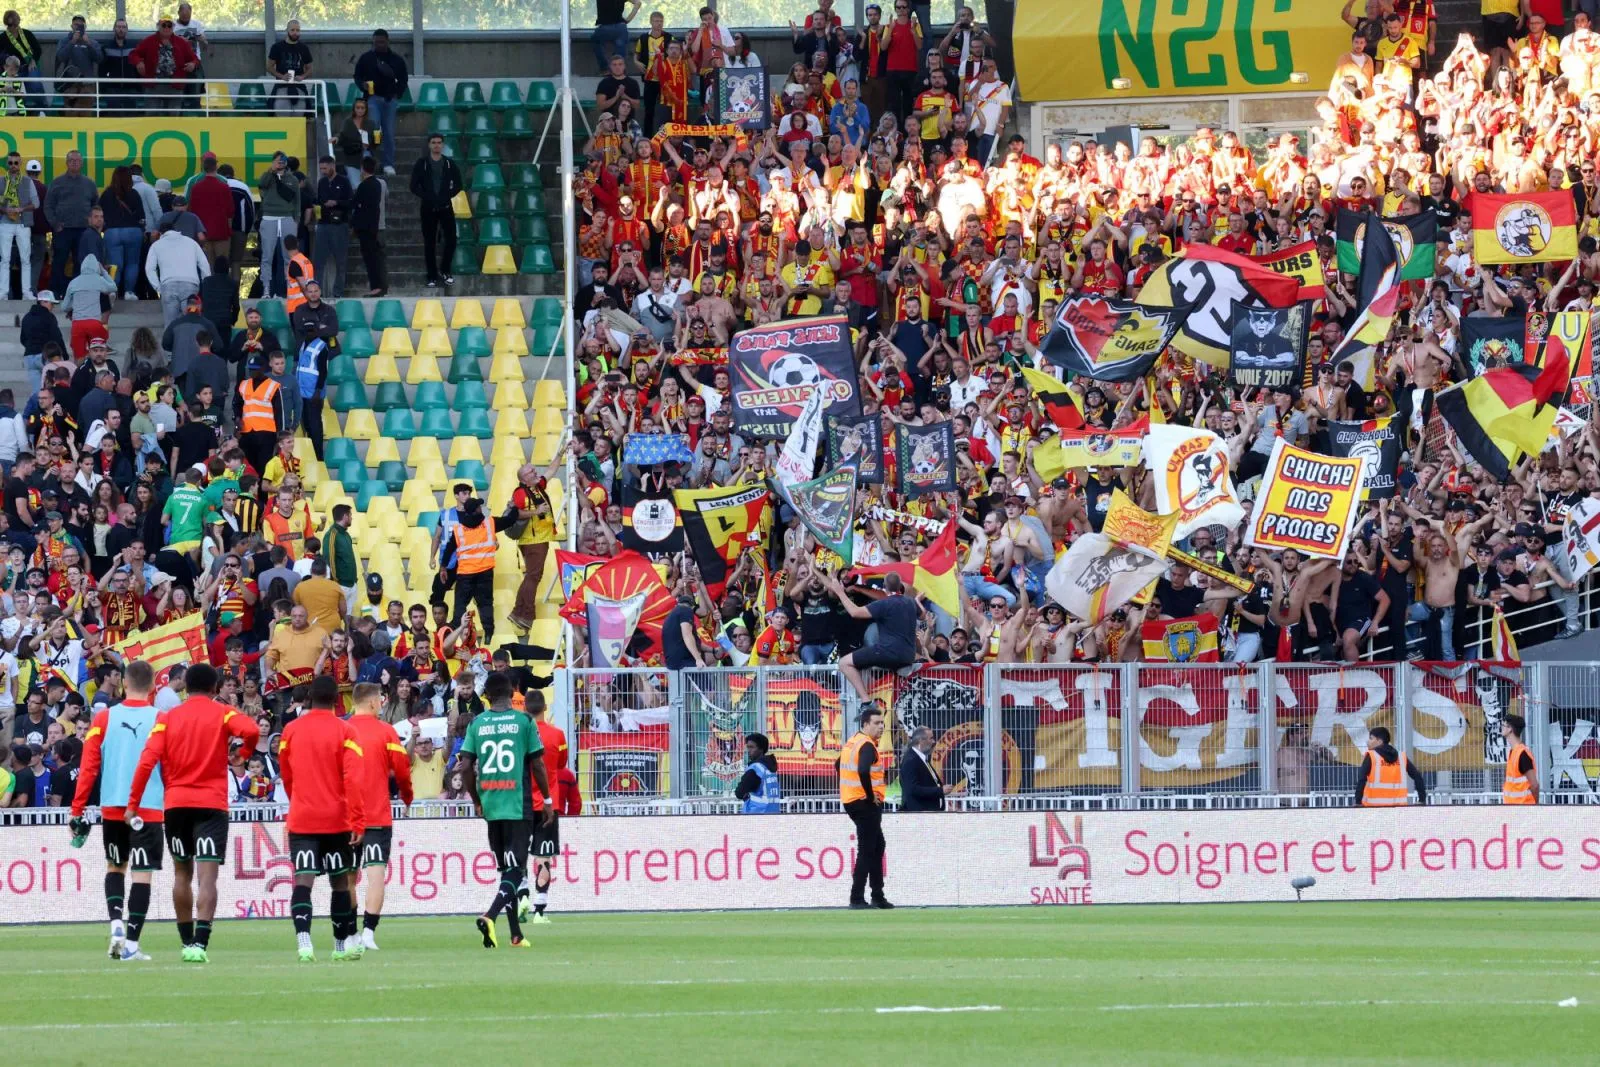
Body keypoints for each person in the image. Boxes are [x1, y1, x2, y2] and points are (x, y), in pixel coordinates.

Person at [125, 663, 260, 963]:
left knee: (182, 873)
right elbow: (251, 729)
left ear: (185, 687)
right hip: (211, 804)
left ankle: (186, 941)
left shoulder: (168, 718)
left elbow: (147, 760)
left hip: (176, 805)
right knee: (207, 877)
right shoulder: (222, 712)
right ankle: (200, 944)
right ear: (214, 689)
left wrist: (133, 803)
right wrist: (244, 753)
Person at [69, 659, 163, 962]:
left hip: (112, 806)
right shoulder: (161, 719)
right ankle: (132, 943)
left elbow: (88, 768)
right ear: (152, 687)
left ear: (123, 683)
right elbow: (172, 767)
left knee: (115, 867)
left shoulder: (104, 719)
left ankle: (116, 925)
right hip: (147, 808)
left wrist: (77, 809)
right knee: (142, 874)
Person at [458, 671, 554, 948]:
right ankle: (490, 915)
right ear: (513, 693)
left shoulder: (477, 723)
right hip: (516, 803)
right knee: (516, 869)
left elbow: (465, 766)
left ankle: (515, 934)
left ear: (485, 696)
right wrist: (546, 800)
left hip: (490, 804)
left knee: (507, 871)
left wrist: (476, 799)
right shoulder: (523, 721)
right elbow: (537, 764)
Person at [278, 673, 366, 962]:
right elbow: (353, 780)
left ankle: (304, 942)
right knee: (340, 883)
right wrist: (357, 820)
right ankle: (340, 947)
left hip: (303, 817)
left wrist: (299, 801)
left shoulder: (291, 731)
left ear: (310, 698)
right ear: (337, 701)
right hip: (336, 819)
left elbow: (286, 774)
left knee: (303, 881)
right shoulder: (347, 732)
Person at [345, 680, 411, 950]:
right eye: (381, 700)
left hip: (346, 818)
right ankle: (369, 932)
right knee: (375, 874)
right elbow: (403, 770)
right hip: (377, 817)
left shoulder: (341, 730)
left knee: (347, 877)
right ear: (373, 702)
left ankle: (349, 934)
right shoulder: (386, 732)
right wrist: (407, 797)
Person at [825, 570, 917, 708]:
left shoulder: (884, 604)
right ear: (900, 587)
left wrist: (840, 592)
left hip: (887, 652)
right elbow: (922, 615)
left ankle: (866, 701)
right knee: (866, 664)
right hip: (909, 656)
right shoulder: (910, 603)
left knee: (844, 663)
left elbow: (855, 612)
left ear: (884, 587)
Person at [520, 688, 568, 923]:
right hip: (550, 803)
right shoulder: (557, 735)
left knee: (518, 853)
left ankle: (522, 897)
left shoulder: (520, 734)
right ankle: (539, 910)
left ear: (524, 708)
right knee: (544, 856)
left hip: (522, 803)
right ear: (545, 708)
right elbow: (561, 764)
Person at [839, 706, 891, 909]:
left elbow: (839, 766)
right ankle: (857, 898)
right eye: (877, 723)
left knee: (877, 846)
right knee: (868, 849)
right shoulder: (867, 745)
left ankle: (877, 895)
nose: (881, 727)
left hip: (852, 800)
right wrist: (870, 796)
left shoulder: (852, 742)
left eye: (882, 723)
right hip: (865, 802)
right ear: (865, 724)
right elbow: (862, 770)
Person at [409, 133, 463, 288]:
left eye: (439, 142)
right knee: (429, 242)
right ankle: (431, 275)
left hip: (446, 206)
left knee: (451, 239)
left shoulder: (449, 164)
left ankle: (445, 271)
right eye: (434, 142)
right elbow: (413, 186)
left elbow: (459, 184)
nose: (437, 145)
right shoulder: (422, 163)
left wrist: (447, 196)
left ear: (443, 145)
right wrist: (427, 197)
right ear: (429, 145)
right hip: (428, 208)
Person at [353, 30, 409, 175]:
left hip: (390, 100)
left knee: (389, 133)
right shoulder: (366, 58)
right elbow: (357, 76)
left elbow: (403, 79)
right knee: (373, 127)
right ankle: (368, 157)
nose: (378, 45)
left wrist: (397, 93)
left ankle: (388, 164)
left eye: (381, 42)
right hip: (372, 98)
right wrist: (362, 85)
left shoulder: (397, 60)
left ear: (387, 41)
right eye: (376, 42)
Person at [44, 148, 97, 297]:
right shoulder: (57, 182)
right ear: (67, 163)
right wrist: (54, 223)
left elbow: (95, 204)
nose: (75, 163)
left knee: (81, 262)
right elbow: (48, 205)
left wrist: (92, 225)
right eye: (72, 161)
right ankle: (56, 292)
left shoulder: (89, 183)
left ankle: (79, 292)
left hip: (83, 230)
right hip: (63, 230)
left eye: (78, 161)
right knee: (59, 262)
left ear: (82, 163)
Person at [447, 497, 496, 642]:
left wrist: (444, 566)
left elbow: (449, 548)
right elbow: (509, 520)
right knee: (485, 604)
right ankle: (488, 633)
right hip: (485, 571)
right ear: (477, 509)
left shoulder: (459, 529)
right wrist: (513, 509)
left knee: (460, 604)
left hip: (465, 573)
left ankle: (455, 630)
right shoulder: (489, 523)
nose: (482, 508)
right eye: (479, 507)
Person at [257, 151, 300, 300]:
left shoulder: (292, 179)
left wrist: (296, 220)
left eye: (283, 161)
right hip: (269, 218)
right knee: (267, 256)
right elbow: (262, 184)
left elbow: (297, 201)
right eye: (277, 161)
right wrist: (272, 170)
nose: (280, 163)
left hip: (287, 218)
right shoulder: (267, 176)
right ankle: (266, 290)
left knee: (289, 256)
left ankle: (291, 289)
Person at [1354, 726, 1426, 808]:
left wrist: (1358, 801)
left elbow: (1361, 779)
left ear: (1379, 741)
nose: (1368, 742)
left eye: (1371, 738)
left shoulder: (1372, 756)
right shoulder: (1401, 757)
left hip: (1374, 807)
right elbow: (1417, 776)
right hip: (1398, 807)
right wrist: (1422, 799)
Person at [312, 156, 353, 299]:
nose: (323, 171)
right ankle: (316, 292)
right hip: (323, 224)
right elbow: (318, 201)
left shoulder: (344, 181)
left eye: (325, 168)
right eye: (321, 168)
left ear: (332, 166)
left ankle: (338, 292)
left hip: (339, 225)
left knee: (340, 261)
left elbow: (350, 202)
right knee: (318, 261)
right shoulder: (322, 182)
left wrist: (336, 202)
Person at [1, 150, 38, 300]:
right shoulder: (1, 181)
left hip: (23, 223)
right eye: (10, 162)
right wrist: (5, 210)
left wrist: (22, 209)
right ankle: (3, 291)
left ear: (20, 163)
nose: (13, 165)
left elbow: (36, 203)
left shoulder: (28, 182)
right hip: (5, 223)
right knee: (4, 259)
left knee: (25, 259)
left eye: (16, 162)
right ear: (7, 164)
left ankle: (27, 292)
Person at [351, 156, 388, 296]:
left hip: (366, 229)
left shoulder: (365, 185)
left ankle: (376, 287)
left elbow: (356, 204)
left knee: (371, 259)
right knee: (376, 259)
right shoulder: (378, 184)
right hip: (373, 227)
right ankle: (381, 286)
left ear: (362, 169)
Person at [898, 724, 951, 811]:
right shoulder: (911, 760)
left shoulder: (920, 758)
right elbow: (913, 789)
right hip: (919, 814)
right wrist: (940, 791)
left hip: (927, 812)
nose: (934, 741)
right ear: (920, 740)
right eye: (931, 738)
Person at [267, 19, 313, 115]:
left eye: (297, 30)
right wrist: (281, 76)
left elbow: (310, 69)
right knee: (271, 111)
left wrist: (302, 77)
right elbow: (269, 67)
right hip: (281, 85)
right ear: (287, 30)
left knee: (308, 114)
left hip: (299, 86)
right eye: (292, 30)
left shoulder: (304, 48)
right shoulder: (277, 47)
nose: (295, 33)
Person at [733, 731, 781, 813]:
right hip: (773, 812)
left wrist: (746, 794)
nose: (748, 750)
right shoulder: (770, 768)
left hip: (756, 813)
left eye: (752, 747)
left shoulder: (755, 769)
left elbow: (739, 793)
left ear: (761, 749)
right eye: (747, 747)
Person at [1502, 713, 1538, 805]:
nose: (1501, 728)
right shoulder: (1514, 752)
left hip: (1523, 808)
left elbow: (1534, 785)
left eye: (1503, 725)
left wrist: (1536, 807)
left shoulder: (1522, 753)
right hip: (1514, 808)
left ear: (1510, 729)